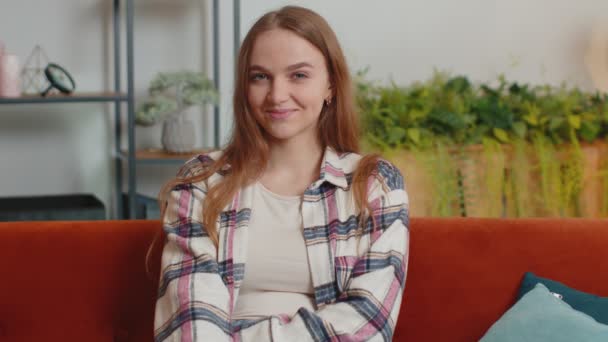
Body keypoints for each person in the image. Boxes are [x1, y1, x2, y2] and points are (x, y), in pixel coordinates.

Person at [153, 5, 409, 341]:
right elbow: (191, 320)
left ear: (330, 84)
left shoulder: (375, 184)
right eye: (260, 76)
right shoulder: (201, 183)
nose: (276, 95)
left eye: (298, 75)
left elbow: (367, 324)